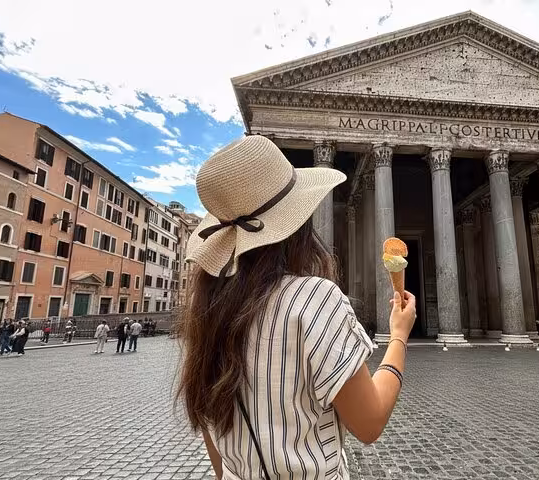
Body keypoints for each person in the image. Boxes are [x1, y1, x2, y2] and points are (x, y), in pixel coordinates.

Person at [175, 136, 417, 478]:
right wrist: (399, 336)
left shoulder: (208, 313)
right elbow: (370, 422)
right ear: (297, 223)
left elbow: (217, 449)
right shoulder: (314, 300)